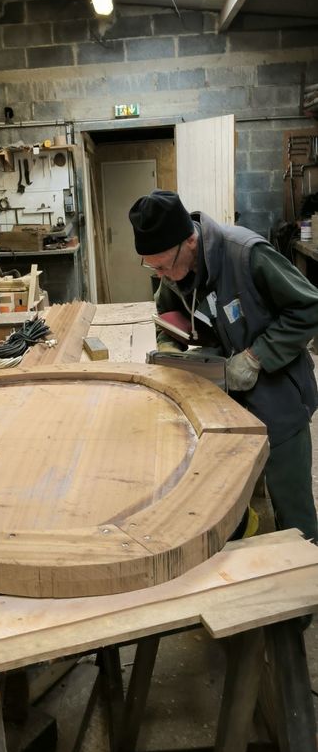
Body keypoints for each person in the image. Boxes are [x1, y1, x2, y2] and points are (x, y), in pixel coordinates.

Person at [129, 189, 318, 542]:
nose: (162, 276)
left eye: (164, 266)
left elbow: (309, 307)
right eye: (153, 268)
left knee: (293, 510)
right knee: (230, 481)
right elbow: (167, 313)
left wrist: (256, 356)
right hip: (226, 391)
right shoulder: (174, 269)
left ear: (190, 240)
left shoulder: (246, 254)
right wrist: (169, 348)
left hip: (279, 391)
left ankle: (306, 563)